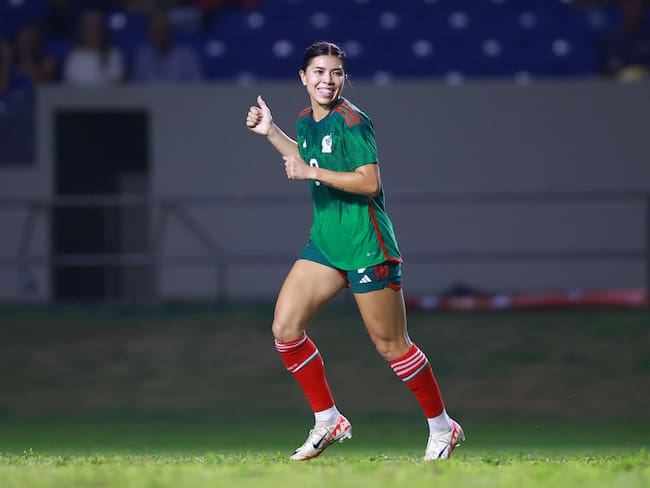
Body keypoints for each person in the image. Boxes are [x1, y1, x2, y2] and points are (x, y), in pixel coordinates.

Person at [245, 41, 464, 461]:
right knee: (285, 331)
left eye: (336, 73)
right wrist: (271, 133)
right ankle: (328, 420)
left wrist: (312, 172)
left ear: (344, 78)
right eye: (319, 73)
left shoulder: (353, 121)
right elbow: (307, 159)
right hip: (326, 244)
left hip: (366, 245)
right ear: (303, 77)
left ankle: (443, 427)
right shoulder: (306, 121)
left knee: (391, 346)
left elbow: (369, 183)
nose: (327, 80)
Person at [132, 11, 204, 83]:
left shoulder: (186, 55)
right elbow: (137, 86)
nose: (159, 35)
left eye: (162, 30)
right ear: (149, 33)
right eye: (155, 31)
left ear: (170, 32)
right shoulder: (143, 55)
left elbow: (198, 84)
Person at [63, 9, 125, 85]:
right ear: (82, 30)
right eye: (89, 27)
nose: (92, 31)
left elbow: (117, 84)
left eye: (95, 27)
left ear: (102, 30)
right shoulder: (74, 56)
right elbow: (69, 87)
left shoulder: (113, 54)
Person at [598, 0, 650, 80]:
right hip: (616, 89)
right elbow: (602, 73)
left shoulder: (647, 35)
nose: (632, 7)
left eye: (636, 3)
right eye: (628, 2)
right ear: (621, 4)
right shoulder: (611, 38)